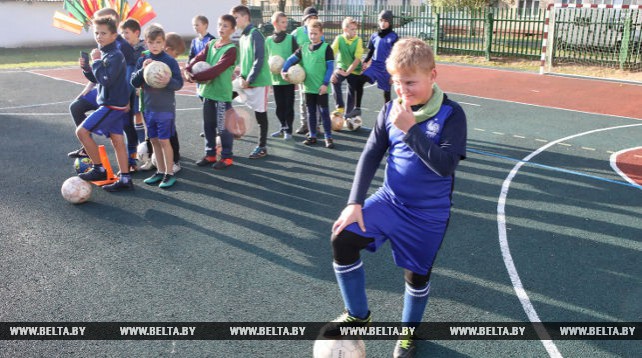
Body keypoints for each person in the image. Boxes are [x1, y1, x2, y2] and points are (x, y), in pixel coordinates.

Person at [323, 38, 467, 358]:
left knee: (416, 278)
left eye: (411, 82)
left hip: (429, 214)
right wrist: (354, 202)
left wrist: (411, 130)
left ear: (433, 74)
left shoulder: (452, 115)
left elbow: (445, 166)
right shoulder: (391, 108)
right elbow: (371, 153)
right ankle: (359, 315)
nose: (402, 89)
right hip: (390, 201)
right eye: (396, 81)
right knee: (342, 238)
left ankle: (406, 336)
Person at [67, 7, 135, 161]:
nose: (97, 32)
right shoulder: (102, 43)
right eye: (96, 30)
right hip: (103, 90)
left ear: (113, 24)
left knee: (124, 125)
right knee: (76, 106)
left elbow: (127, 75)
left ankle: (132, 158)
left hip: (118, 94)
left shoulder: (122, 47)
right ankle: (88, 148)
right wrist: (87, 72)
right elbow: (100, 74)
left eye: (102, 27)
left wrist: (129, 99)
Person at [75, 15, 133, 192]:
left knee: (82, 132)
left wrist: (98, 61)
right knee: (117, 141)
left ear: (114, 36)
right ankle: (125, 179)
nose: (99, 36)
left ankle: (99, 168)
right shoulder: (106, 52)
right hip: (112, 103)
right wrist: (87, 68)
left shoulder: (114, 55)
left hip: (112, 105)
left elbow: (106, 80)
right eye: (96, 33)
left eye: (104, 33)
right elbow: (99, 79)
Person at [131, 24, 184, 188]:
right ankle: (160, 171)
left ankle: (169, 173)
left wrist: (168, 81)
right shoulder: (143, 59)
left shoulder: (170, 61)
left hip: (165, 109)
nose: (155, 46)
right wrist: (142, 70)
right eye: (151, 42)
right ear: (146, 42)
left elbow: (179, 84)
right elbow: (134, 81)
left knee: (164, 140)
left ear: (163, 43)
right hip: (148, 108)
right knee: (153, 140)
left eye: (158, 42)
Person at [184, 14, 238, 169]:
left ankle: (227, 157)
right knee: (208, 125)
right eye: (220, 25)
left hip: (222, 95)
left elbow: (216, 70)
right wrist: (188, 69)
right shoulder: (211, 43)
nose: (221, 28)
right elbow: (197, 58)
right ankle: (210, 154)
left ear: (233, 30)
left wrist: (195, 76)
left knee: (223, 128)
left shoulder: (231, 50)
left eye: (225, 26)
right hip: (208, 93)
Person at [282, 19, 335, 148]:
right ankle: (312, 136)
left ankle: (328, 137)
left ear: (321, 33)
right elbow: (291, 59)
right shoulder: (304, 47)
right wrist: (284, 69)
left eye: (315, 34)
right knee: (310, 112)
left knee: (324, 112)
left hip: (321, 87)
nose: (313, 36)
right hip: (308, 87)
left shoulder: (326, 48)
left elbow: (330, 68)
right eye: (311, 33)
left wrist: (325, 83)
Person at [231, 5, 272, 159]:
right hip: (245, 81)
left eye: (236, 18)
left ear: (245, 17)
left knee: (260, 115)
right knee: (225, 96)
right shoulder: (242, 36)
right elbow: (244, 61)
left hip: (259, 82)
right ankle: (233, 127)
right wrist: (241, 76)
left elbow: (259, 59)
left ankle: (262, 147)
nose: (233, 21)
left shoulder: (256, 34)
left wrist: (250, 79)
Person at [347, 10, 399, 120]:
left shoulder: (394, 37)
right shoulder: (374, 36)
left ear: (390, 22)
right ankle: (357, 108)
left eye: (385, 21)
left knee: (387, 94)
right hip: (375, 67)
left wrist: (394, 74)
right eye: (381, 20)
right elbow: (371, 51)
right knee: (359, 81)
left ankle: (388, 114)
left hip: (387, 70)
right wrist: (365, 62)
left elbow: (396, 55)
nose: (383, 23)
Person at [265, 11, 298, 141]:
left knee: (289, 106)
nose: (286, 24)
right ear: (275, 23)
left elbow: (296, 56)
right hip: (275, 80)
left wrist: (289, 69)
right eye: (282, 22)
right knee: (279, 107)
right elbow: (267, 59)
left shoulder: (291, 39)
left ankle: (288, 130)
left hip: (288, 79)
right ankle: (282, 127)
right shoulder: (268, 40)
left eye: (286, 22)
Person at [290, 6, 320, 135]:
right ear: (305, 19)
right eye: (310, 17)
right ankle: (304, 125)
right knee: (303, 100)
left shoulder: (318, 33)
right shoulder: (296, 33)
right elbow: (290, 49)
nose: (313, 20)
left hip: (314, 72)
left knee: (316, 100)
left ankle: (316, 126)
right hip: (300, 72)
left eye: (315, 17)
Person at [119, 18, 147, 145]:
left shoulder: (144, 49)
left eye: (127, 32)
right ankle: (135, 145)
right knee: (129, 116)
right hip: (126, 88)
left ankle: (144, 144)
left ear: (136, 33)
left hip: (139, 89)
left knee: (139, 115)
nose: (124, 36)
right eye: (123, 33)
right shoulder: (123, 49)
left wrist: (140, 86)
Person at [330, 17, 363, 120]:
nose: (355, 31)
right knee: (334, 80)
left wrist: (348, 72)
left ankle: (347, 115)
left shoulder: (358, 40)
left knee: (352, 90)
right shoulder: (339, 39)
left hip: (354, 69)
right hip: (342, 67)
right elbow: (331, 55)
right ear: (345, 30)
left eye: (355, 29)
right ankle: (340, 107)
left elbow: (357, 59)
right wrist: (332, 72)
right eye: (352, 29)